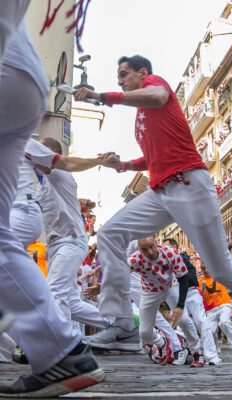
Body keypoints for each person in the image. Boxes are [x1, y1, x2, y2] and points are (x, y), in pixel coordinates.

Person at [74, 55, 232, 371]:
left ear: (143, 73)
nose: (120, 80)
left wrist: (101, 97)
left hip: (189, 184)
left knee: (221, 269)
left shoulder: (155, 86)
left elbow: (159, 97)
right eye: (118, 77)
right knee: (110, 232)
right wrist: (123, 165)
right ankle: (123, 323)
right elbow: (153, 156)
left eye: (124, 74)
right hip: (161, 191)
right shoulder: (141, 117)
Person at [0, 3, 104, 396]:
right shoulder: (35, 155)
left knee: (62, 292)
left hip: (9, 66)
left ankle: (115, 325)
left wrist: (100, 159)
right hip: (24, 77)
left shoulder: (48, 163)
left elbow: (68, 161)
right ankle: (61, 354)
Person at [36, 137, 110, 331]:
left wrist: (98, 160)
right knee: (72, 303)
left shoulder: (59, 171)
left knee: (54, 292)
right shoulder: (42, 183)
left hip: (70, 241)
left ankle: (60, 346)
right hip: (55, 246)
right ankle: (121, 325)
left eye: (39, 151)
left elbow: (70, 162)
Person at [128, 237, 203, 366]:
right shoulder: (135, 259)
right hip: (149, 292)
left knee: (183, 319)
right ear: (139, 250)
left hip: (170, 287)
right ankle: (162, 342)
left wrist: (179, 307)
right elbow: (118, 273)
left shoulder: (170, 254)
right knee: (144, 333)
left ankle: (197, 352)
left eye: (152, 246)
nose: (150, 252)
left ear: (157, 242)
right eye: (145, 250)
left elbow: (183, 279)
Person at [164, 239, 219, 367]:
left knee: (201, 321)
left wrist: (177, 275)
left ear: (175, 248)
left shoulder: (183, 258)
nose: (165, 250)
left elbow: (192, 278)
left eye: (168, 247)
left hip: (191, 293)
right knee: (183, 323)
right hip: (176, 295)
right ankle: (196, 353)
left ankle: (212, 356)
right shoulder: (162, 263)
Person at [198, 263, 232, 356]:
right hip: (211, 309)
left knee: (224, 322)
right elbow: (199, 296)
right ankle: (216, 350)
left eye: (207, 267)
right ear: (201, 269)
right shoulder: (200, 281)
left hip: (224, 304)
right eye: (203, 268)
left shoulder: (219, 275)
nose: (205, 270)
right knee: (210, 330)